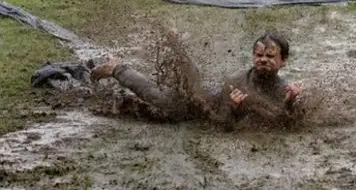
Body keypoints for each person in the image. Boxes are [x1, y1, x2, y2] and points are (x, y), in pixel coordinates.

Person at [90, 30, 304, 128]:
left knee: (186, 81)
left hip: (206, 93)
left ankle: (176, 47)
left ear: (283, 61)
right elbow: (222, 122)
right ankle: (117, 68)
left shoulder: (284, 87)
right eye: (259, 55)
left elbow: (284, 122)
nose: (263, 60)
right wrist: (234, 106)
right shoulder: (238, 81)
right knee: (163, 100)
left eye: (270, 56)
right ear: (252, 57)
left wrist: (290, 101)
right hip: (195, 102)